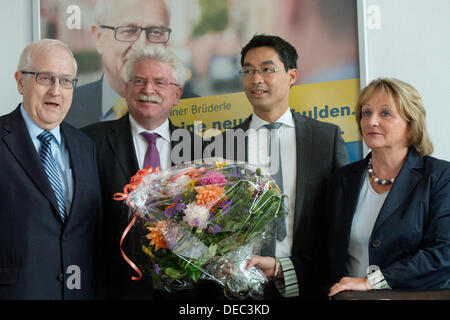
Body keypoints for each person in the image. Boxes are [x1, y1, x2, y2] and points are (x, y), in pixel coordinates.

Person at [215, 34, 349, 299]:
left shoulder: (326, 139)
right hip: (240, 289)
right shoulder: (222, 146)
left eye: (267, 69)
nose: (256, 79)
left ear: (292, 75)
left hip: (308, 284)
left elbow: (341, 218)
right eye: (248, 71)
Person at [81, 45, 203, 299]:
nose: (149, 90)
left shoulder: (200, 150)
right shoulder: (89, 142)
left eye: (160, 82)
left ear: (177, 94)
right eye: (139, 81)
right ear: (126, 89)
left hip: (185, 293)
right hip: (113, 289)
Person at [326, 78, 450, 297]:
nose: (371, 121)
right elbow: (325, 253)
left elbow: (443, 254)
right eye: (366, 113)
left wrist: (371, 282)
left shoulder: (440, 177)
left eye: (385, 113)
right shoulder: (342, 178)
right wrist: (280, 269)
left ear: (411, 126)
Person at [0, 39, 103, 299]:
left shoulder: (85, 146)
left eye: (66, 81)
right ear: (21, 81)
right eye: (45, 78)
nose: (56, 91)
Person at [65, 0, 196, 128]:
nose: (141, 46)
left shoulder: (195, 111)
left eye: (156, 32)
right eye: (129, 31)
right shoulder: (65, 107)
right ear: (100, 38)